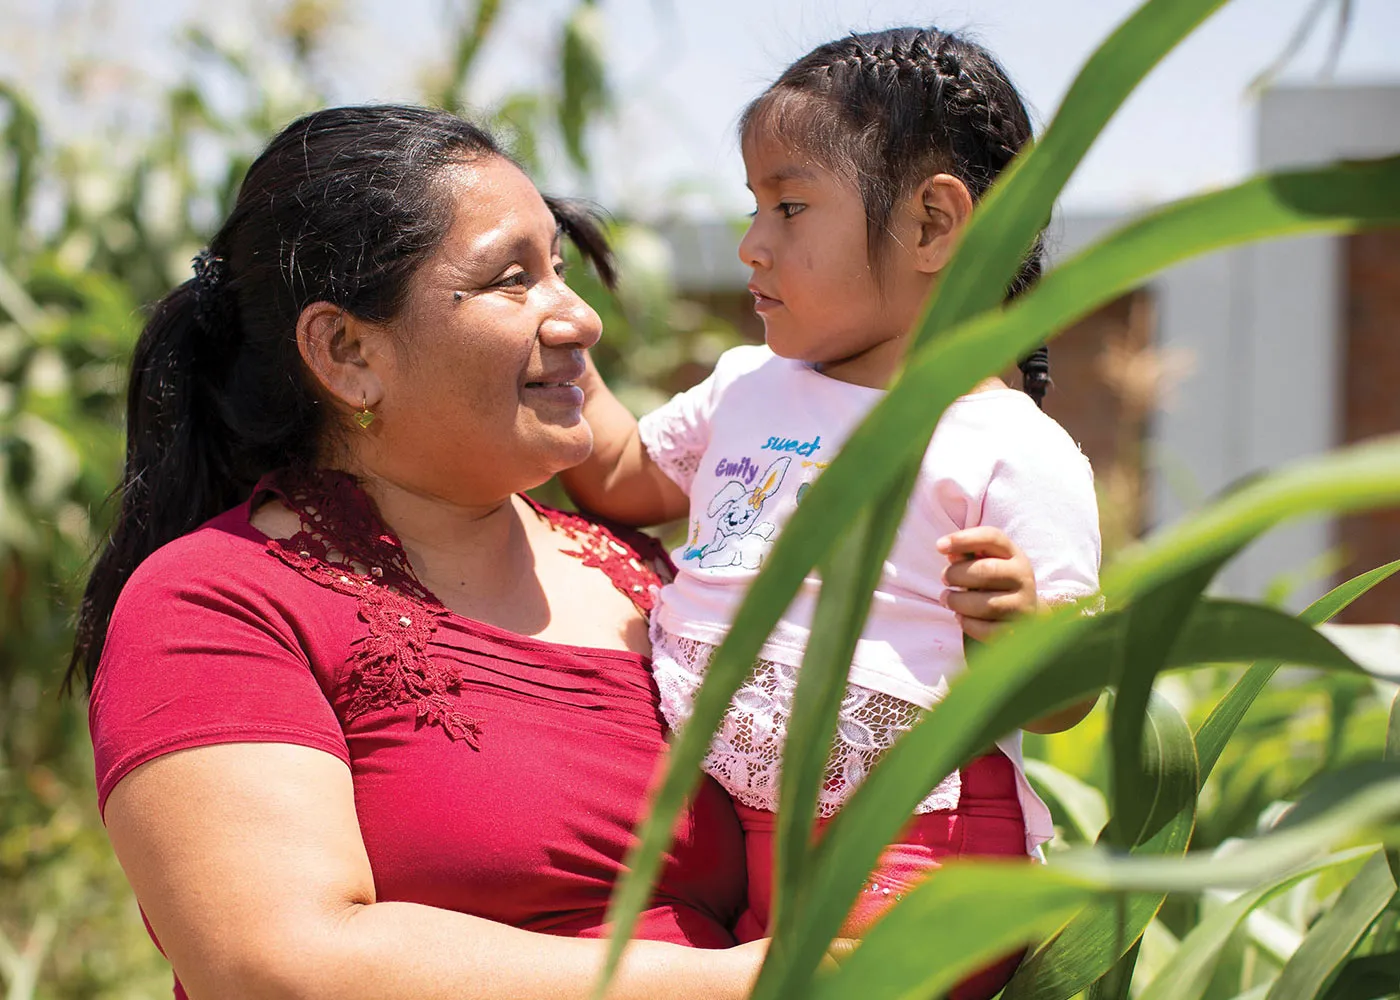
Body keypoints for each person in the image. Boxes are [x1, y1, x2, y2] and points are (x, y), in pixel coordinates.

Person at [561, 27, 1102, 1000]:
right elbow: (618, 473)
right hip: (740, 845)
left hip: (912, 854)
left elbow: (1066, 698)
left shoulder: (1004, 445)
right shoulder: (746, 387)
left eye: (788, 205)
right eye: (752, 205)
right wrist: (552, 339)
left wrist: (1021, 633)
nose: (750, 244)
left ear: (934, 225)